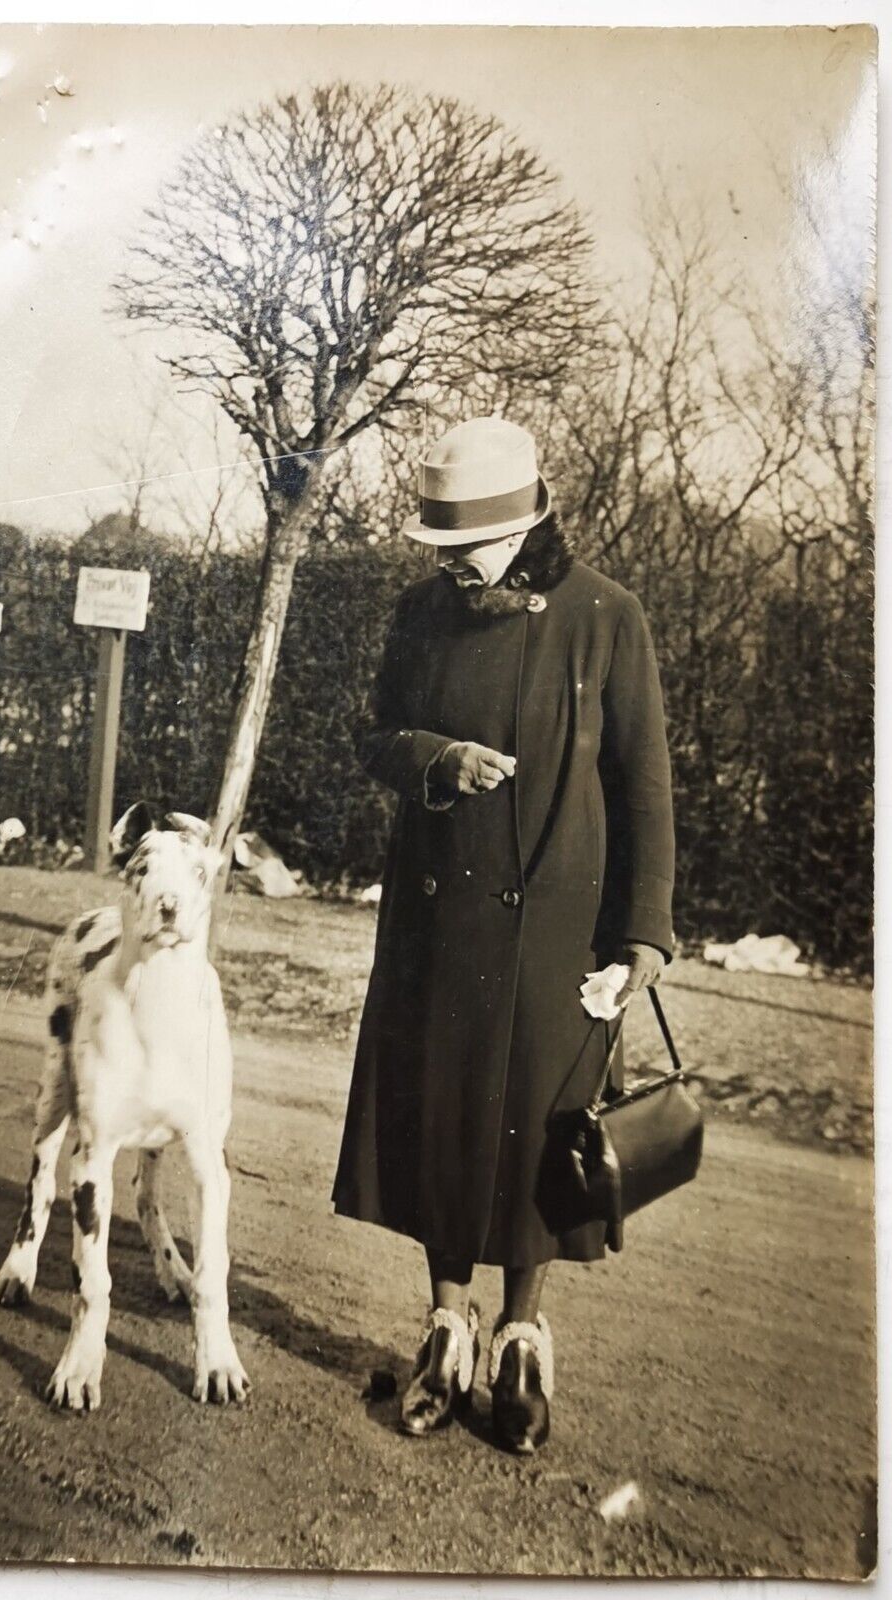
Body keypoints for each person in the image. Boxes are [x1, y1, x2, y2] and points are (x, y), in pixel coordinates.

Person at [331, 414, 675, 1453]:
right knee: (441, 1123)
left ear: (528, 524)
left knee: (540, 1138)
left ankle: (523, 1340)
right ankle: (446, 1327)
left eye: (470, 550)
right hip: (440, 920)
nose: (458, 571)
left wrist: (644, 937)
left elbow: (647, 786)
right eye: (446, 553)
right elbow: (374, 735)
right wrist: (437, 758)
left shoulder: (608, 618)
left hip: (561, 931)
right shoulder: (420, 614)